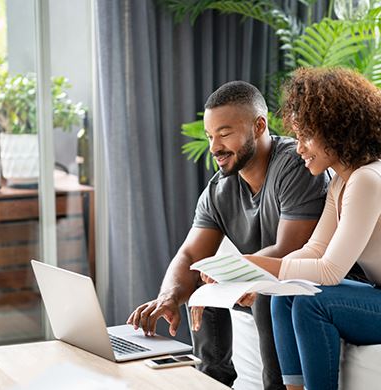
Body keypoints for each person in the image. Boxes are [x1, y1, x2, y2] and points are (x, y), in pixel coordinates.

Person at [242, 68, 381, 390]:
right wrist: (265, 275)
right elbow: (315, 251)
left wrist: (259, 266)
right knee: (287, 295)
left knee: (311, 302)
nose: (299, 147)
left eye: (306, 135)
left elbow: (331, 271)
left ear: (337, 130)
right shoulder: (342, 182)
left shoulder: (369, 180)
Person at [127, 80, 329, 389]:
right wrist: (169, 295)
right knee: (201, 283)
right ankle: (213, 381)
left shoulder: (294, 165)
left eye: (224, 133)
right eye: (210, 136)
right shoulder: (220, 189)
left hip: (313, 282)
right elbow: (191, 255)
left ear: (258, 126)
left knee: (265, 294)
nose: (214, 148)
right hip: (259, 280)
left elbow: (292, 249)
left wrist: (231, 275)